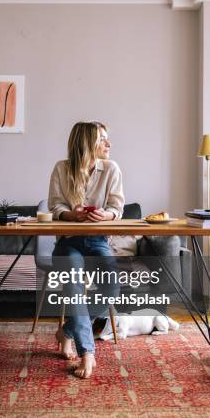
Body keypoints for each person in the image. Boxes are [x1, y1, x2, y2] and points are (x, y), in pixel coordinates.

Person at [48, 121, 124, 378]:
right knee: (74, 282)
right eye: (103, 139)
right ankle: (87, 353)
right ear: (87, 143)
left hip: (98, 241)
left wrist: (105, 215)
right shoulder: (62, 168)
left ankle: (67, 331)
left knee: (112, 286)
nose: (109, 144)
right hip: (68, 241)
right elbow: (55, 207)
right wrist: (71, 214)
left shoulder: (111, 169)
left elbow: (117, 208)